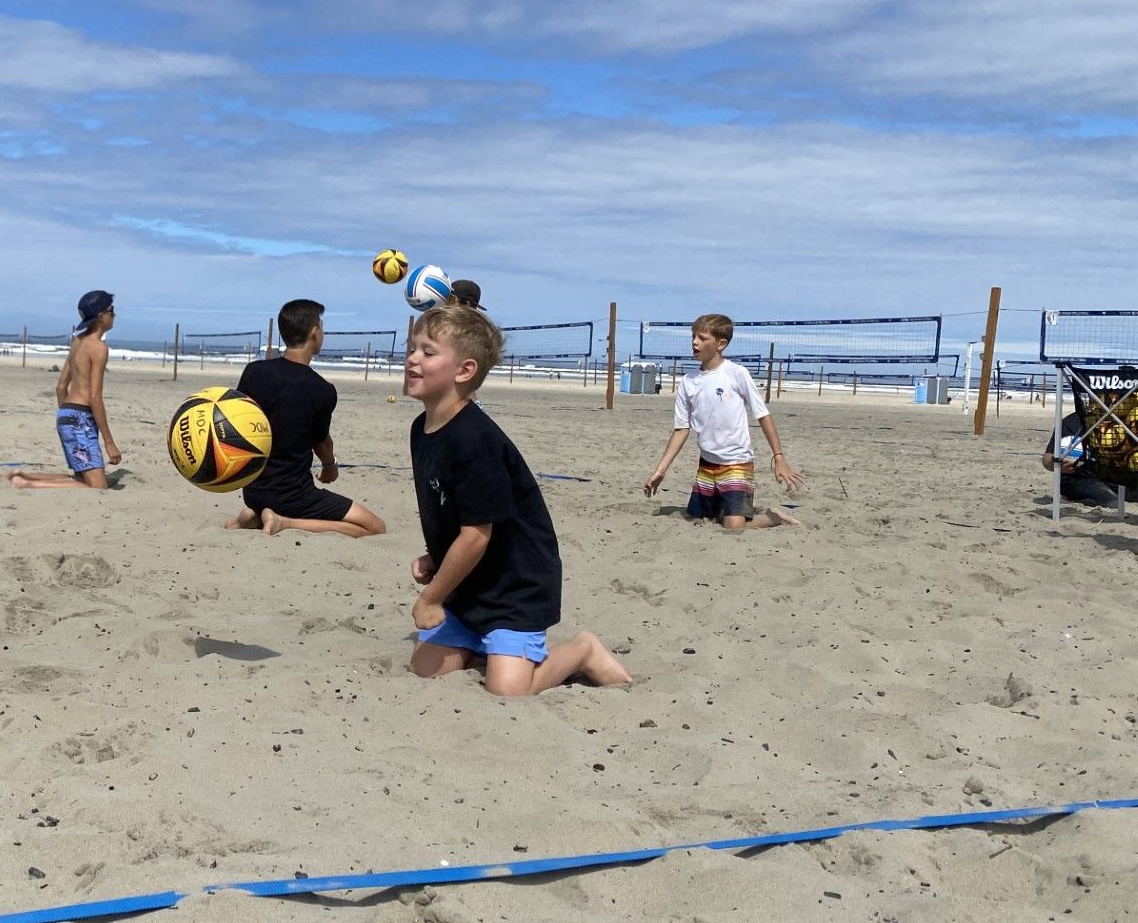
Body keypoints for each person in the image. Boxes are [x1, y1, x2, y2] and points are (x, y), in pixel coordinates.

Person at [404, 304, 630, 697]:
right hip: (472, 585)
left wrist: (431, 597)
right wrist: (436, 557)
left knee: (508, 690)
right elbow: (453, 511)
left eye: (428, 352)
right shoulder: (421, 429)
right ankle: (487, 647)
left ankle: (583, 650)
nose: (412, 359)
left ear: (464, 371)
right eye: (412, 348)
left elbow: (476, 535)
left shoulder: (473, 439)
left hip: (515, 585)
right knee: (424, 669)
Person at [226, 298, 385, 538]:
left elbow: (237, 422)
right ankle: (284, 522)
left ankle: (254, 517)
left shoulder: (254, 372)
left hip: (253, 490)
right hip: (293, 495)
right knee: (374, 527)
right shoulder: (322, 389)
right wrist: (330, 466)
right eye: (322, 327)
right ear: (314, 332)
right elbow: (321, 443)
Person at [643, 314, 805, 529]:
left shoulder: (736, 373)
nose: (694, 342)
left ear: (721, 344)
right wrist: (660, 471)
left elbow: (763, 415)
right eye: (693, 337)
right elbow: (681, 429)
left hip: (737, 462)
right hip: (707, 464)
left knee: (733, 526)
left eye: (702, 338)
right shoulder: (688, 382)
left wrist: (779, 457)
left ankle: (774, 517)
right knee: (700, 519)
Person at [6, 290, 122, 490]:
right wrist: (109, 442)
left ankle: (23, 476)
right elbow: (95, 397)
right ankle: (26, 483)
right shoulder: (99, 348)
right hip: (81, 418)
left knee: (83, 477)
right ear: (101, 316)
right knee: (98, 487)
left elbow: (61, 387)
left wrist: (67, 419)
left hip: (66, 414)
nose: (115, 314)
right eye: (111, 310)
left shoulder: (77, 342)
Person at [1044, 411, 1123, 508]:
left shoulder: (1128, 420)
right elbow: (1047, 459)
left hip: (1118, 477)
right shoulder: (1073, 422)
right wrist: (1056, 463)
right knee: (1113, 502)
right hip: (1080, 478)